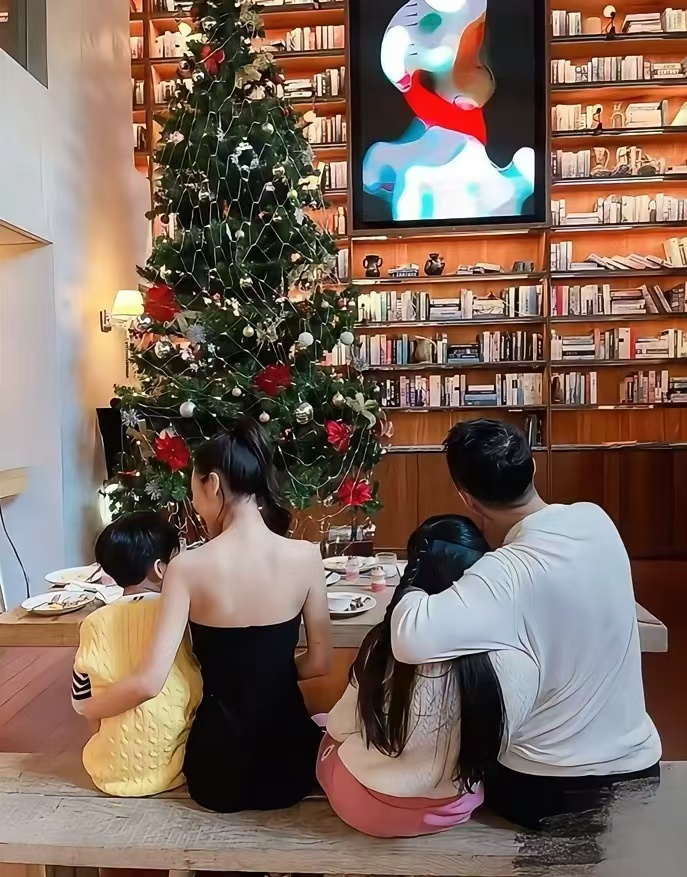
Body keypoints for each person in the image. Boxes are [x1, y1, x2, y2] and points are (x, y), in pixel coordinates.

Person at [391, 419, 661, 830]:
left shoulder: (504, 572)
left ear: (467, 499)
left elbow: (407, 636)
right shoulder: (596, 520)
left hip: (552, 791)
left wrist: (418, 574)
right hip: (641, 770)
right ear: (533, 467)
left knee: (453, 765)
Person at [75, 418, 331, 813]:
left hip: (218, 770)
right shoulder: (307, 556)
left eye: (193, 488)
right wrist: (269, 672)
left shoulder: (187, 568)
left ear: (212, 483)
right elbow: (319, 663)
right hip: (290, 765)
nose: (194, 502)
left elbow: (149, 683)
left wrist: (87, 708)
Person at [318, 515, 538, 837]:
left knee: (327, 731)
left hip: (365, 805)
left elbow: (340, 726)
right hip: (453, 807)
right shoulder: (517, 656)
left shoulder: (384, 645)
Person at [72, 511, 202, 797]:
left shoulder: (93, 622)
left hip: (107, 770)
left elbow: (82, 697)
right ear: (160, 569)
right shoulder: (176, 611)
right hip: (173, 766)